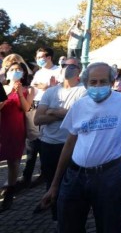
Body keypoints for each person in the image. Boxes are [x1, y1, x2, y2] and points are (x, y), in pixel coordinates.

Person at [39, 62, 121, 232]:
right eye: (93, 82)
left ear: (111, 82)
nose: (98, 86)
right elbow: (70, 144)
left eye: (103, 82)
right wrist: (55, 184)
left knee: (108, 226)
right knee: (69, 226)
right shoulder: (80, 105)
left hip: (108, 176)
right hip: (75, 175)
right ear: (86, 84)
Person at [33, 57, 86, 220]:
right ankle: (57, 216)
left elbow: (79, 117)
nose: (67, 68)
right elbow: (38, 119)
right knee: (51, 181)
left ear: (79, 70)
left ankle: (71, 217)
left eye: (72, 66)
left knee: (72, 183)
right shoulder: (51, 91)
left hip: (72, 144)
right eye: (64, 65)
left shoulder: (84, 91)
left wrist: (52, 111)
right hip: (48, 144)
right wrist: (64, 113)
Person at [0, 62, 35, 211]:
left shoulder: (29, 89)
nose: (15, 72)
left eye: (19, 69)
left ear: (24, 73)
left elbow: (26, 107)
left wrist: (20, 92)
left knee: (13, 161)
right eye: (12, 69)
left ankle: (10, 191)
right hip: (2, 126)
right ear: (7, 72)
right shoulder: (3, 88)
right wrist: (7, 93)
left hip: (16, 128)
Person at [26, 47, 61, 186]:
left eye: (41, 56)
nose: (39, 59)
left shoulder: (59, 71)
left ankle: (45, 173)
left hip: (49, 107)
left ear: (49, 57)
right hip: (35, 106)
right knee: (33, 142)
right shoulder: (39, 72)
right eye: (37, 57)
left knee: (45, 140)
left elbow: (62, 88)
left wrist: (47, 87)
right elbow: (33, 89)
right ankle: (28, 175)